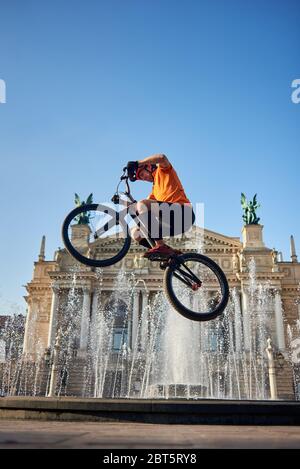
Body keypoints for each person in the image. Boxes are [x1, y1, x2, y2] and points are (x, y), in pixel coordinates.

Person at [126, 154, 195, 259]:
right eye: (142, 178)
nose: (144, 179)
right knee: (135, 233)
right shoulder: (154, 190)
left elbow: (162, 157)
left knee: (142, 204)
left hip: (184, 213)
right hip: (172, 223)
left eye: (143, 174)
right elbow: (141, 207)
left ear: (149, 167)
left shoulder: (163, 170)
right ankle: (166, 255)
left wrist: (137, 163)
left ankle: (160, 245)